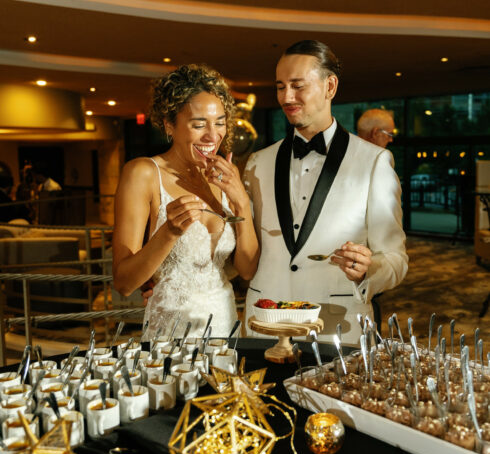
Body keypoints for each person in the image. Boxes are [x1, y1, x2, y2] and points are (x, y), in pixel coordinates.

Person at [243, 40, 408, 345]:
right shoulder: (257, 163)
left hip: (338, 328)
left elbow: (396, 259)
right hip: (264, 325)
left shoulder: (373, 162)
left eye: (297, 85)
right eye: (280, 86)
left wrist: (369, 269)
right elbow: (242, 247)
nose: (286, 97)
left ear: (330, 86)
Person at [113, 64, 259, 339]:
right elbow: (123, 283)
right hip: (171, 332)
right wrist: (169, 232)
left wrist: (241, 203)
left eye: (219, 122)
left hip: (225, 324)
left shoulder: (227, 176)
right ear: (169, 125)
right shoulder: (143, 173)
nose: (212, 136)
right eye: (198, 124)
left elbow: (247, 270)